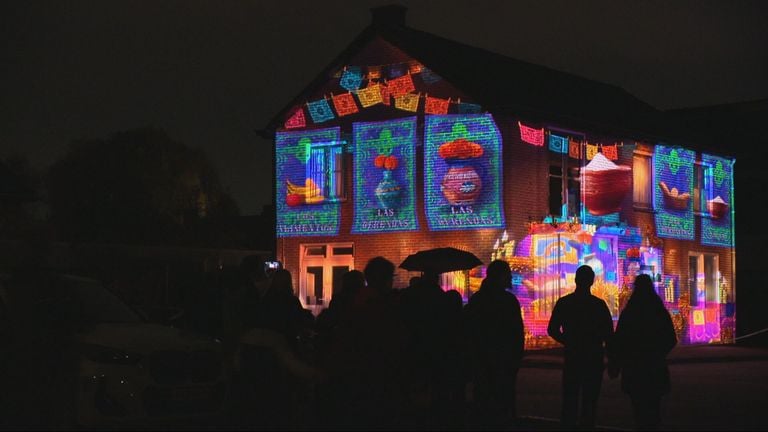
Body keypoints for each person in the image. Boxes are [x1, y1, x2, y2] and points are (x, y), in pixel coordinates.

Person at [547, 264, 614, 428]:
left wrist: (568, 341)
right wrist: (612, 359)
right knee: (590, 403)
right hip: (593, 358)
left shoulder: (565, 303)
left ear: (576, 280)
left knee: (570, 401)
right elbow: (609, 335)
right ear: (592, 281)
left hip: (573, 358)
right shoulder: (599, 305)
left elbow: (552, 329)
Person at [608, 274, 677, 430]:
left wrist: (617, 362)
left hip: (634, 368)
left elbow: (620, 340)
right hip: (655, 366)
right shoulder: (659, 311)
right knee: (654, 409)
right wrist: (658, 353)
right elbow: (671, 339)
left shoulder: (629, 312)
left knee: (638, 409)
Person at [463, 260, 525, 429]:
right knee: (502, 402)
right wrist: (516, 357)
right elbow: (516, 333)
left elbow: (469, 330)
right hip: (502, 361)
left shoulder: (477, 300)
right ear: (501, 276)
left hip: (482, 360)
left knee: (483, 401)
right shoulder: (508, 301)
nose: (511, 277)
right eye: (508, 274)